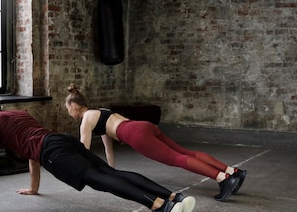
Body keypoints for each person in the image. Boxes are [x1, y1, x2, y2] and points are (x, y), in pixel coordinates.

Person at [0, 89, 196, 212]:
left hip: (53, 152)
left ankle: (158, 207)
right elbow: (31, 153)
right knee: (110, 172)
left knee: (102, 181)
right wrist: (34, 188)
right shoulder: (19, 114)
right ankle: (173, 197)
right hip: (62, 140)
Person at [64, 83, 246, 202]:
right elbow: (107, 147)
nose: (68, 113)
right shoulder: (98, 112)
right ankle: (233, 172)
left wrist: (77, 172)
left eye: (67, 109)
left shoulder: (86, 119)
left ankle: (223, 179)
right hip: (142, 126)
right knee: (185, 152)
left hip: (134, 134)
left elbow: (84, 150)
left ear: (73, 105)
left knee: (178, 159)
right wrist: (112, 171)